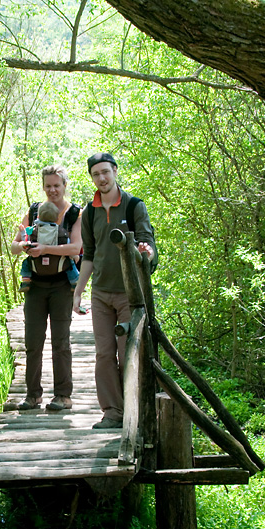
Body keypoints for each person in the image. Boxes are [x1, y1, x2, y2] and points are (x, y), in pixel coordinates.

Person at [73, 152, 157, 429]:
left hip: (129, 295)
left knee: (128, 353)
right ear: (92, 177)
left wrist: (146, 253)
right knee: (104, 354)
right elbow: (89, 254)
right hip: (100, 294)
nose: (102, 178)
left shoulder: (134, 206)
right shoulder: (90, 211)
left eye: (106, 172)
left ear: (115, 171)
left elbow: (148, 245)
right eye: (96, 174)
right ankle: (112, 412)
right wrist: (78, 291)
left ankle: (135, 409)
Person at [11, 166, 83, 412]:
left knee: (60, 342)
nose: (52, 190)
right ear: (43, 186)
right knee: (33, 341)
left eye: (57, 185)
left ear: (65, 185)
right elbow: (13, 246)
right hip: (36, 287)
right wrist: (25, 245)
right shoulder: (34, 211)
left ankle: (63, 395)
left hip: (62, 285)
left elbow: (76, 248)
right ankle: (33, 396)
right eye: (48, 185)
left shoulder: (75, 214)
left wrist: (45, 249)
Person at [18, 201, 80, 292]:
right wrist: (74, 255)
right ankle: (75, 281)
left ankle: (26, 280)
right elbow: (67, 244)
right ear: (56, 219)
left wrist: (23, 232)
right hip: (58, 265)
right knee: (70, 264)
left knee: (26, 263)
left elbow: (26, 241)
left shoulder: (33, 230)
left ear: (38, 216)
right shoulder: (61, 231)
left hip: (37, 264)